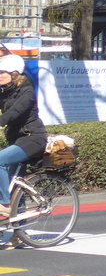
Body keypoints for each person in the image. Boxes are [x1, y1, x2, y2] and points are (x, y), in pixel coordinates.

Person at [0, 52, 47, 221]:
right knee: (13, 185)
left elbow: (15, 112)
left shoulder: (26, 90)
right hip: (18, 140)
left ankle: (4, 205)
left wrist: (1, 121)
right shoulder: (5, 92)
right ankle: (18, 234)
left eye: (1, 72)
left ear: (13, 73)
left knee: (0, 160)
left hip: (33, 137)